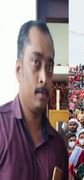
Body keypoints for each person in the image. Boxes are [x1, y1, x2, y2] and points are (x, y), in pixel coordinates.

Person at [0, 20, 68, 179]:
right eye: (36, 63)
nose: (44, 78)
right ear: (19, 70)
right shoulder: (2, 129)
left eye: (49, 67)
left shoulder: (58, 146)